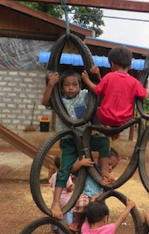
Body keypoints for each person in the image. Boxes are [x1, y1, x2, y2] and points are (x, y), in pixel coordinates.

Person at [42, 70, 113, 219]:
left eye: (74, 84)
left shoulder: (85, 96)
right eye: (66, 85)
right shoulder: (60, 101)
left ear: (80, 86)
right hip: (69, 140)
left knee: (104, 142)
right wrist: (50, 85)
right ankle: (55, 203)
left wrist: (94, 76)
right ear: (61, 88)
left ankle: (105, 172)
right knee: (64, 170)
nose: (71, 88)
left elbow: (100, 91)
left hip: (86, 137)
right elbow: (45, 102)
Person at [81, 47, 148, 129]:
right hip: (125, 120)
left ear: (112, 64)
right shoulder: (135, 82)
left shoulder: (109, 76)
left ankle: (107, 128)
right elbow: (144, 95)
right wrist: (146, 85)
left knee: (98, 110)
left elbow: (97, 90)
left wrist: (86, 80)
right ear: (130, 66)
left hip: (105, 118)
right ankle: (114, 132)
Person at [69, 148, 120, 232]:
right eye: (109, 164)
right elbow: (73, 171)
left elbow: (107, 191)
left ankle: (98, 232)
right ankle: (77, 223)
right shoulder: (91, 166)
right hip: (86, 194)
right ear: (102, 158)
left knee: (103, 213)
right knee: (82, 203)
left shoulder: (107, 176)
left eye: (113, 167)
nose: (110, 168)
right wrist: (80, 163)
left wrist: (108, 183)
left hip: (98, 199)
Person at [49, 156, 74, 234]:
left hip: (56, 200)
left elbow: (51, 185)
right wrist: (73, 185)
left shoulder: (53, 175)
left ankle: (54, 230)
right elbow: (69, 188)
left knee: (55, 214)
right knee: (66, 215)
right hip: (65, 200)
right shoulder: (66, 175)